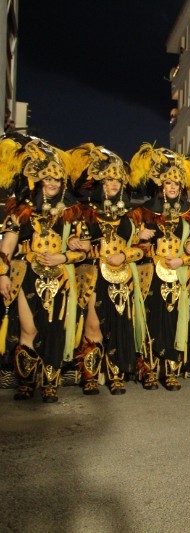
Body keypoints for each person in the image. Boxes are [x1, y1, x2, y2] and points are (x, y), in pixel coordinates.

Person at [0, 136, 85, 402]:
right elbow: (7, 245)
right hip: (26, 275)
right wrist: (2, 275)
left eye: (57, 179)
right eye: (47, 178)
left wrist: (63, 256)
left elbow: (83, 250)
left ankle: (50, 383)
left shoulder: (72, 212)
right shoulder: (21, 210)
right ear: (38, 179)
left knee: (54, 331)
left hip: (60, 278)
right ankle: (26, 381)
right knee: (28, 329)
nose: (52, 183)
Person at [68, 144, 146, 395]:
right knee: (93, 324)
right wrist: (75, 242)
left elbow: (141, 249)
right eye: (109, 180)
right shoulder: (86, 212)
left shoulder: (131, 216)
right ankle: (90, 375)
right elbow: (77, 243)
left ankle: (115, 374)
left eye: (117, 181)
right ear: (100, 183)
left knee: (120, 325)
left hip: (123, 276)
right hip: (93, 275)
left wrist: (124, 255)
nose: (113, 184)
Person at [128, 144, 190, 390]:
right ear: (160, 184)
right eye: (168, 183)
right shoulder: (142, 212)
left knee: (175, 320)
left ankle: (171, 370)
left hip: (179, 274)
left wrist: (185, 256)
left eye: (176, 183)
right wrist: (138, 236)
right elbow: (127, 245)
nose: (172, 187)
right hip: (151, 274)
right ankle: (149, 369)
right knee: (152, 319)